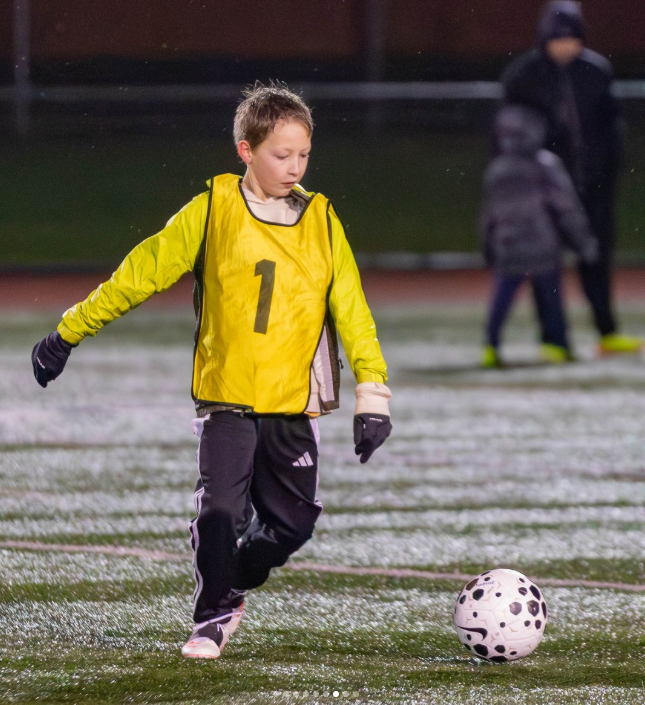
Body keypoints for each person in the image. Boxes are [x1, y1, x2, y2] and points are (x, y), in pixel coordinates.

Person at [31, 81, 392, 660]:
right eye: (281, 154)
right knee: (221, 509)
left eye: (303, 154)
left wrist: (373, 396)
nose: (295, 166)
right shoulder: (212, 210)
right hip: (226, 398)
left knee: (292, 528)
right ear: (246, 151)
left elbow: (351, 308)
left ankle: (238, 575)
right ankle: (213, 615)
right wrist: (68, 332)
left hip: (292, 404)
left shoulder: (323, 220)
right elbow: (139, 274)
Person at [501, 0, 642, 355]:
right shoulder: (524, 76)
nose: (565, 45)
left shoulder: (596, 71)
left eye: (572, 38)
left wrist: (608, 173)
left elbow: (611, 129)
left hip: (593, 187)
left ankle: (607, 333)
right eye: (557, 38)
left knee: (596, 258)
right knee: (544, 265)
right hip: (542, 190)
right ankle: (553, 339)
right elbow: (509, 132)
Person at [480, 103, 598, 367]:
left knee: (502, 298)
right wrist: (583, 241)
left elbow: (488, 214)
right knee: (551, 298)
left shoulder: (497, 168)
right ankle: (557, 345)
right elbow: (567, 207)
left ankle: (490, 344)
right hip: (541, 242)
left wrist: (486, 243)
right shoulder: (546, 165)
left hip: (508, 242)